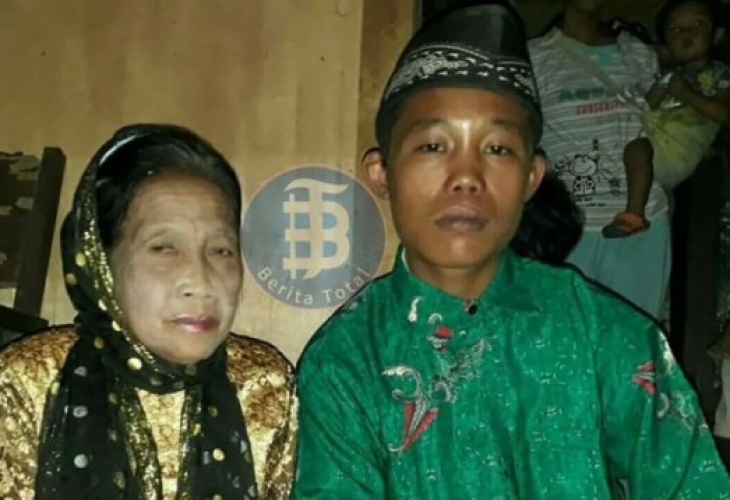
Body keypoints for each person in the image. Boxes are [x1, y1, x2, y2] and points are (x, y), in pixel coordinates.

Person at [291, 3, 730, 498]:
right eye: (433, 146)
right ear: (382, 174)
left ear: (531, 178)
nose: (466, 177)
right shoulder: (346, 360)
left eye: (497, 149)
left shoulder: (601, 333)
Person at [0, 124, 297, 499]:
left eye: (221, 250)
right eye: (164, 248)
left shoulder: (265, 385)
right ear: (100, 260)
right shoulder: (27, 382)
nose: (200, 281)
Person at [528, 0, 671, 319]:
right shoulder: (533, 57)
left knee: (634, 337)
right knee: (566, 334)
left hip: (643, 224)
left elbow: (661, 123)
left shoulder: (637, 53)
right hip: (570, 227)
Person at [603, 0, 730, 238]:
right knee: (629, 146)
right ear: (665, 45)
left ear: (717, 35)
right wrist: (656, 92)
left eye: (698, 25)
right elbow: (646, 107)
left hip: (678, 150)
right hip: (656, 144)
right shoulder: (665, 74)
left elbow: (725, 114)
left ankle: (634, 215)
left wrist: (687, 95)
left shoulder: (721, 74)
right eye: (676, 29)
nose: (686, 33)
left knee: (637, 149)